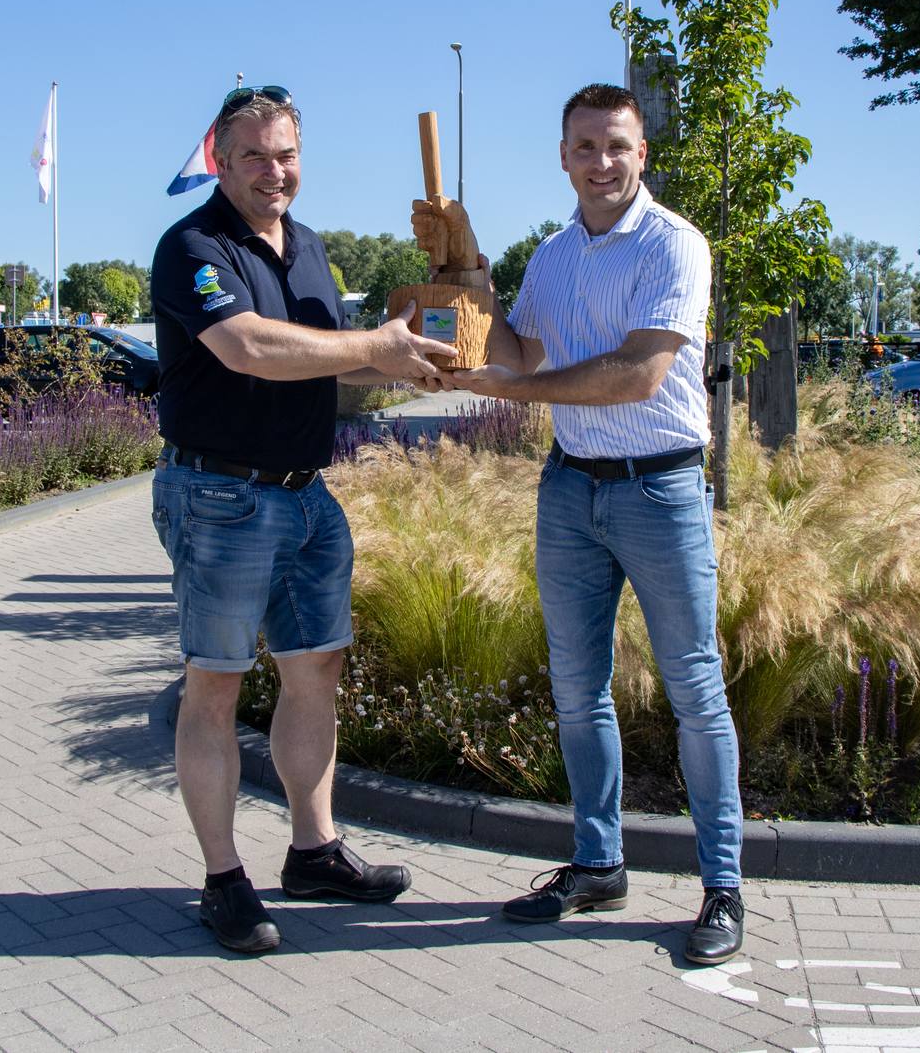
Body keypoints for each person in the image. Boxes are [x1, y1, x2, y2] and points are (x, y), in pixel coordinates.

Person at [444, 82, 746, 965]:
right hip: (570, 490)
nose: (601, 162)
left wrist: (512, 391)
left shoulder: (675, 245)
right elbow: (514, 349)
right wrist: (469, 280)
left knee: (695, 689)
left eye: (617, 145)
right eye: (585, 146)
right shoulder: (552, 256)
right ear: (564, 157)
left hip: (660, 490)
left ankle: (722, 884)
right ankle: (598, 861)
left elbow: (635, 375)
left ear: (641, 152)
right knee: (577, 688)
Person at [150, 85, 453, 953]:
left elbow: (328, 364)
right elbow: (246, 347)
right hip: (221, 496)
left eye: (286, 154)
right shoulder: (193, 248)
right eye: (254, 155)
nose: (274, 172)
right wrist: (371, 347)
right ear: (219, 157)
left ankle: (314, 850)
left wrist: (412, 362)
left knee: (315, 670)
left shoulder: (310, 245)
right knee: (215, 685)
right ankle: (222, 878)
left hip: (308, 495)